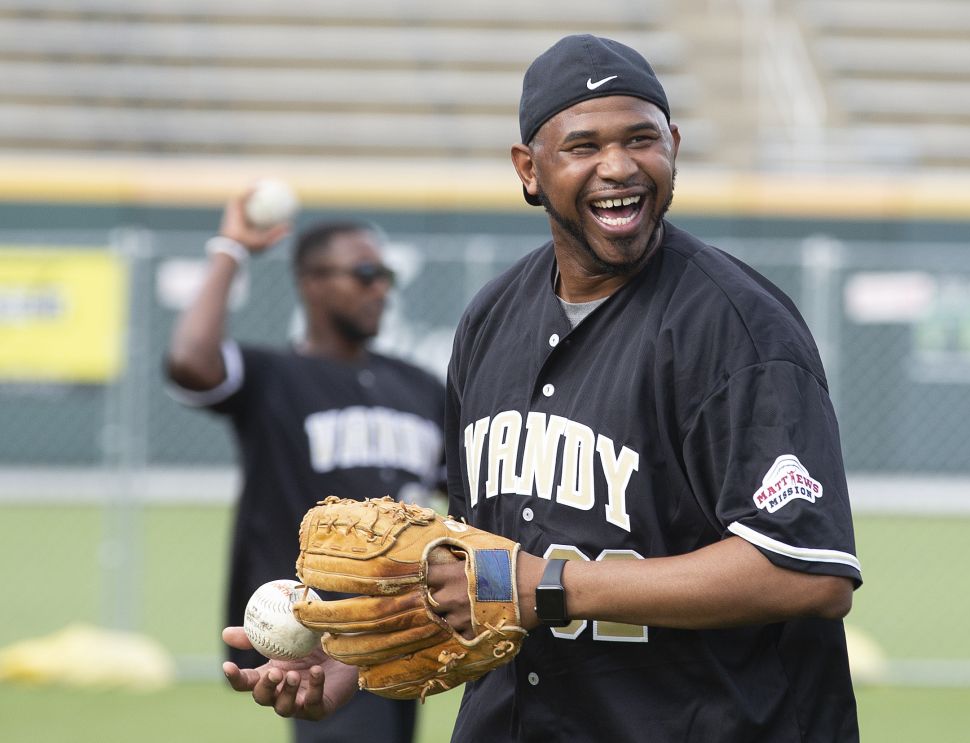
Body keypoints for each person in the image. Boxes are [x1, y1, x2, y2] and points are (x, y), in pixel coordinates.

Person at [222, 34, 863, 742]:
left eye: (641, 138)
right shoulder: (491, 320)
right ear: (529, 170)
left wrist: (543, 586)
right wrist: (361, 657)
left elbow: (804, 572)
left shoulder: (737, 327)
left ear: (674, 146)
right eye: (583, 146)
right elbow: (479, 570)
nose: (618, 166)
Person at [166, 195, 445, 743]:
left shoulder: (418, 386)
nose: (380, 289)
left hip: (400, 628)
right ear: (311, 282)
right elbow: (190, 361)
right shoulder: (274, 377)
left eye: (385, 276)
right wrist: (231, 249)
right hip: (315, 638)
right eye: (364, 274)